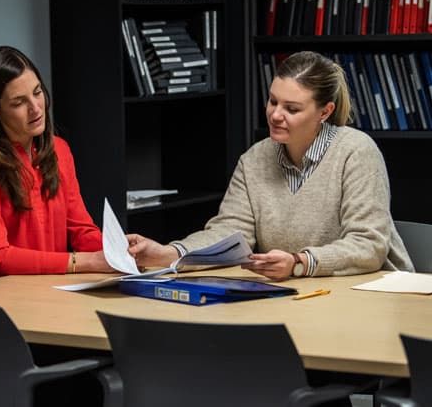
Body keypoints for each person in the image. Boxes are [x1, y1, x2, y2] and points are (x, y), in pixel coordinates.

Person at [128, 51, 413, 280]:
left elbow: (368, 245)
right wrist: (170, 253)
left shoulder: (357, 152)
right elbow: (228, 233)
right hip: (299, 297)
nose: (275, 115)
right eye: (273, 101)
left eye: (292, 108)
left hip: (369, 295)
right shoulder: (254, 159)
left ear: (325, 111)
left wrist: (299, 263)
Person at [0, 45, 115, 288]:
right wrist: (84, 262)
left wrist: (121, 251)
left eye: (37, 92)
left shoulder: (59, 150)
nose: (35, 108)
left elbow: (81, 231)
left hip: (42, 291)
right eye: (18, 102)